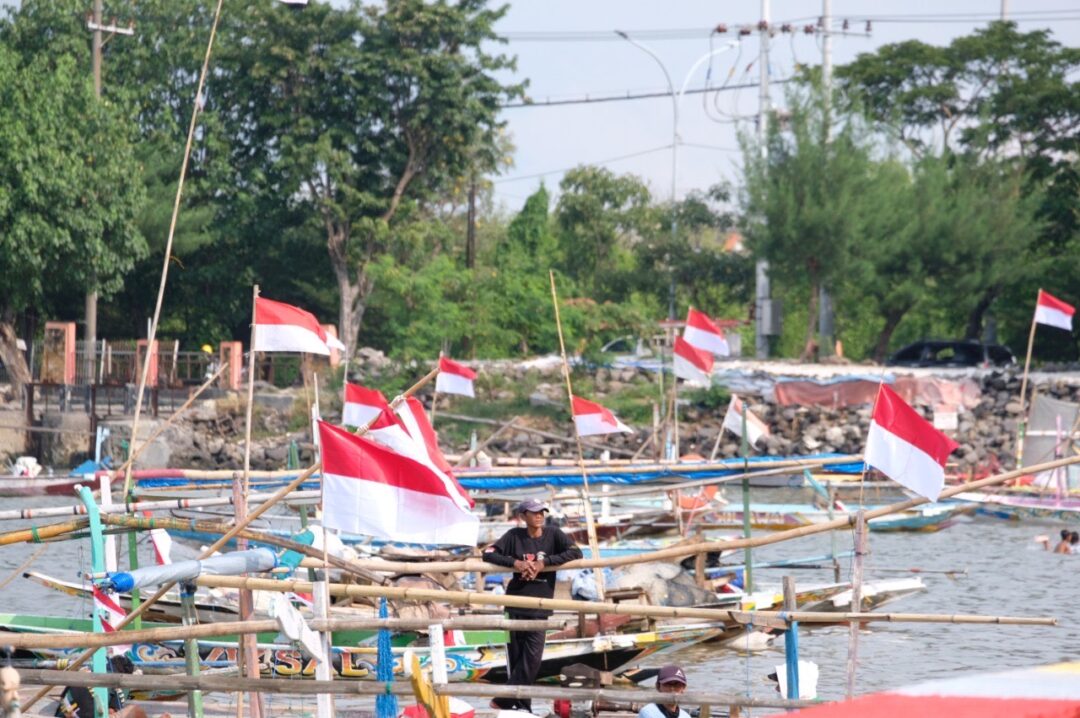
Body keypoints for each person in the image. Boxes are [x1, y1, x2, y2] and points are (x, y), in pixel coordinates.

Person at [482, 499, 582, 713]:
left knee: (533, 660)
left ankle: (503, 699)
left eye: (542, 512)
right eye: (534, 512)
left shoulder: (553, 534)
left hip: (539, 607)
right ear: (523, 516)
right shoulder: (513, 536)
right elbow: (489, 553)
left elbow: (575, 552)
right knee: (517, 660)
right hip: (515, 604)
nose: (539, 516)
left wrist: (543, 563)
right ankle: (522, 709)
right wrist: (517, 563)